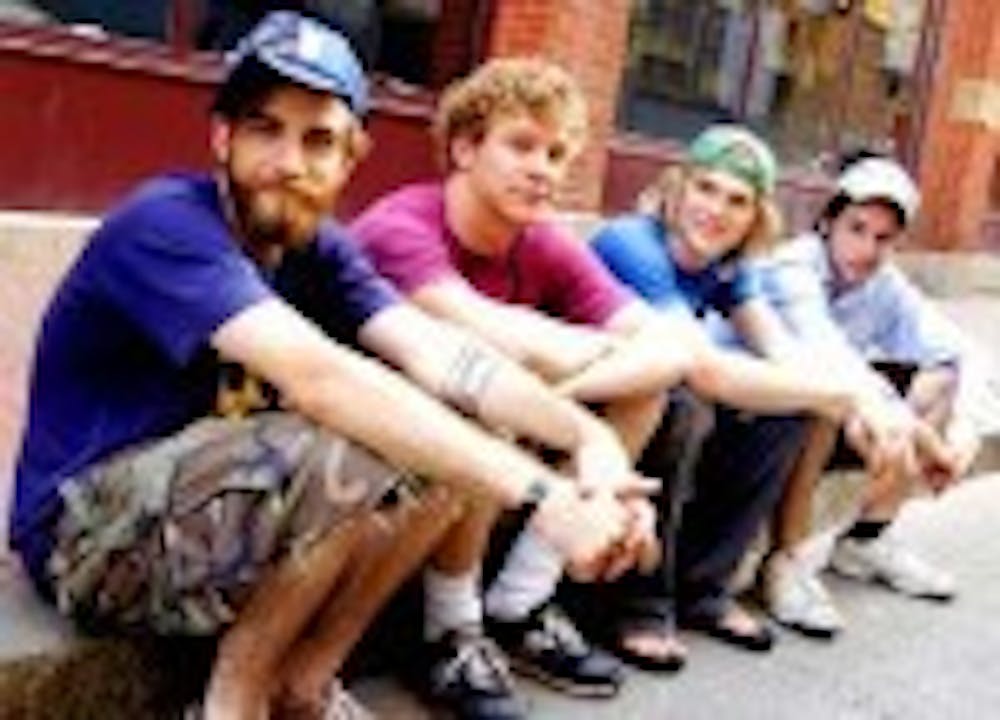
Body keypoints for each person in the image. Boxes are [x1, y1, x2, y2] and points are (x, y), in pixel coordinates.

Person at [8, 13, 652, 720]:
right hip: (84, 538)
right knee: (345, 441)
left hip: (211, 518)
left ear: (351, 158)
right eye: (265, 129)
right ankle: (232, 704)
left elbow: (441, 354)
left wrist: (589, 441)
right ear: (222, 138)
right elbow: (322, 381)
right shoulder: (165, 222)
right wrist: (544, 496)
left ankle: (307, 683)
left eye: (318, 140)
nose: (289, 161)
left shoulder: (322, 251)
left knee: (444, 434)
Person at [351, 68, 863, 678]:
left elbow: (672, 353)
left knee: (652, 390)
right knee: (498, 399)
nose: (541, 169)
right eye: (521, 146)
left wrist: (560, 394)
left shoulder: (542, 240)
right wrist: (570, 381)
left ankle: (520, 601)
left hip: (487, 415)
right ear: (464, 148)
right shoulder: (403, 225)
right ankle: (451, 626)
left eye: (555, 154)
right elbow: (487, 331)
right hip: (362, 428)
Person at [585, 125, 954, 665]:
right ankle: (638, 602)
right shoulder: (633, 244)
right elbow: (704, 369)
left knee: (788, 410)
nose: (716, 210)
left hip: (660, 398)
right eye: (705, 189)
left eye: (737, 201)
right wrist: (845, 401)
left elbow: (783, 351)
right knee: (686, 404)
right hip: (589, 403)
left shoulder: (731, 268)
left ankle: (702, 588)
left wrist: (863, 409)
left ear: (755, 215)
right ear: (677, 188)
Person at [754, 154, 978, 638]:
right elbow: (826, 354)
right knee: (828, 397)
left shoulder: (884, 283)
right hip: (759, 414)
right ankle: (786, 562)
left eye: (883, 238)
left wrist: (963, 434)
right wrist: (915, 433)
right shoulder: (793, 267)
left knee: (942, 375)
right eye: (856, 229)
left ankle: (865, 539)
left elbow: (955, 349)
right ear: (828, 221)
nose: (867, 249)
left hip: (852, 411)